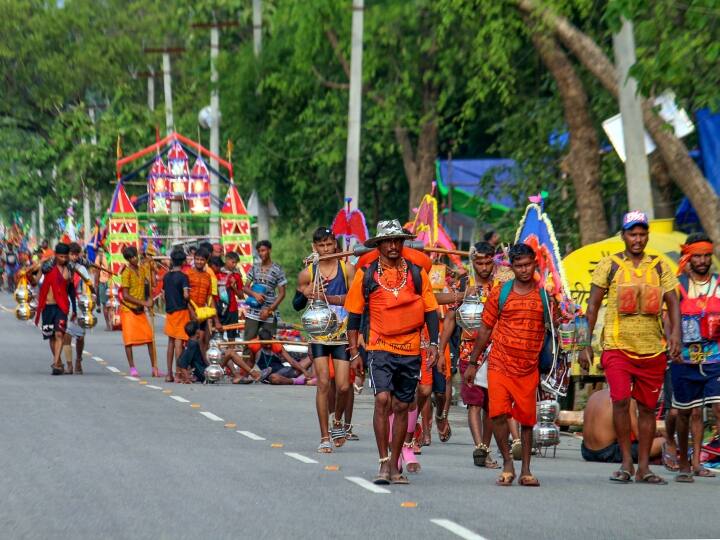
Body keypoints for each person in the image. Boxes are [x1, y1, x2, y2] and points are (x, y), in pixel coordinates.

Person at [580, 211, 681, 485]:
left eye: (642, 234)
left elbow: (673, 301)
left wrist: (676, 336)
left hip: (652, 349)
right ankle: (626, 462)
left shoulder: (660, 265)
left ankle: (644, 468)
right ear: (623, 235)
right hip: (617, 347)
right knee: (621, 401)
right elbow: (591, 306)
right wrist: (584, 343)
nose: (637, 239)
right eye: (632, 234)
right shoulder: (608, 265)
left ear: (647, 235)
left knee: (648, 409)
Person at [345, 219, 439, 485]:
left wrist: (433, 344)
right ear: (379, 245)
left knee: (401, 405)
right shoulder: (367, 275)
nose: (394, 245)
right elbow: (353, 316)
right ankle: (384, 463)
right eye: (388, 241)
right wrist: (354, 354)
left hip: (410, 348)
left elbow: (430, 310)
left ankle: (396, 463)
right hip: (379, 347)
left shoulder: (417, 273)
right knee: (382, 399)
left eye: (398, 240)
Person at [465, 243, 550, 487]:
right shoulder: (500, 293)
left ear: (535, 263)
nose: (524, 270)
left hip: (528, 368)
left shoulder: (544, 295)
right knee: (498, 414)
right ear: (511, 267)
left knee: (526, 421)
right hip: (499, 363)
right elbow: (485, 328)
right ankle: (507, 463)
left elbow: (551, 328)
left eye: (528, 264)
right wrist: (473, 363)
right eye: (519, 266)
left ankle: (526, 469)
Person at [294, 227, 355, 453]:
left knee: (343, 385)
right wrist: (305, 292)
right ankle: (324, 436)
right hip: (319, 334)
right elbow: (297, 304)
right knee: (323, 384)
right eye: (321, 245)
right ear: (314, 247)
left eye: (329, 244)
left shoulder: (347, 269)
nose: (326, 249)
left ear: (335, 245)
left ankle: (337, 420)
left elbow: (357, 300)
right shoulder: (308, 272)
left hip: (341, 333)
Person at [440, 241, 500, 468]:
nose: (484, 267)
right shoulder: (463, 284)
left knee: (492, 405)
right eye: (479, 262)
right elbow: (449, 319)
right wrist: (440, 349)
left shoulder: (501, 285)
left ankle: (486, 447)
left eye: (488, 262)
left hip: (495, 351)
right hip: (468, 353)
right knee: (474, 402)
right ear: (472, 262)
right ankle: (480, 448)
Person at [671, 233, 720, 482]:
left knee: (716, 405)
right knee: (686, 413)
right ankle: (683, 462)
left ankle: (700, 460)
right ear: (688, 257)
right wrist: (671, 342)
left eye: (706, 256)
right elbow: (668, 318)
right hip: (684, 359)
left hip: (714, 357)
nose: (702, 260)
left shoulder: (719, 284)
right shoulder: (678, 285)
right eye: (697, 256)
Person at [581, 389, 664, 462]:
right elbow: (640, 436)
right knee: (663, 442)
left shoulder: (595, 395)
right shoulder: (625, 398)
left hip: (586, 451)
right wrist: (658, 434)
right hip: (607, 453)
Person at [34, 243, 76, 375]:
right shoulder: (46, 268)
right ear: (56, 255)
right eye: (61, 256)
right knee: (51, 336)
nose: (63, 259)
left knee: (59, 334)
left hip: (61, 306)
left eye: (65, 257)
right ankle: (58, 363)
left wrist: (74, 308)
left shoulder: (69, 270)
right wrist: (40, 265)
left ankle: (55, 362)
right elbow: (34, 281)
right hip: (47, 306)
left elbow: (71, 291)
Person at [119, 246, 160, 377]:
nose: (134, 259)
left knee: (149, 338)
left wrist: (149, 300)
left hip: (141, 310)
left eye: (135, 256)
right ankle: (132, 367)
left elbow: (149, 285)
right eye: (131, 258)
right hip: (128, 309)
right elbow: (125, 295)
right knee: (129, 340)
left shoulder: (142, 269)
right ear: (128, 259)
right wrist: (144, 303)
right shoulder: (126, 273)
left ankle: (155, 368)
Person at [243, 240, 287, 340]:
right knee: (248, 342)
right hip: (253, 312)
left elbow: (282, 293)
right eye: (259, 251)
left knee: (267, 343)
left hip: (269, 313)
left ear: (269, 250)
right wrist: (255, 295)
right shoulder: (254, 268)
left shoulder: (277, 269)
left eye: (263, 250)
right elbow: (245, 288)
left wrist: (270, 309)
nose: (261, 253)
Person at [61, 242, 93, 374]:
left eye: (75, 254)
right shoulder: (63, 268)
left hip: (80, 303)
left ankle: (78, 360)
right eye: (71, 254)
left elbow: (89, 286)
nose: (73, 257)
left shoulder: (82, 269)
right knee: (66, 335)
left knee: (80, 336)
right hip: (66, 302)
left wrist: (90, 298)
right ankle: (69, 365)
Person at [243, 328, 313, 385]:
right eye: (265, 344)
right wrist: (245, 376)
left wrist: (304, 371)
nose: (268, 346)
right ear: (259, 340)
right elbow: (251, 362)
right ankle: (296, 381)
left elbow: (291, 361)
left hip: (285, 371)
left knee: (311, 357)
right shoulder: (254, 347)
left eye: (269, 343)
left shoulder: (277, 345)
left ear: (271, 338)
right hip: (272, 376)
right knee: (274, 378)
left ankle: (314, 377)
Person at [163, 248, 191, 383]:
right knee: (179, 342)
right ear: (184, 261)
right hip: (181, 311)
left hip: (170, 312)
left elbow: (164, 295)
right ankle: (178, 373)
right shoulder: (184, 277)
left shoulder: (166, 276)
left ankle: (169, 374)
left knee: (171, 342)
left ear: (172, 260)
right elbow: (186, 295)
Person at [185, 247, 221, 349]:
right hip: (189, 314)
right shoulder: (188, 274)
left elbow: (210, 299)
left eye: (202, 260)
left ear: (206, 261)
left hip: (202, 314)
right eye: (197, 259)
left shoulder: (207, 276)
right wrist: (192, 313)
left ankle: (202, 364)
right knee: (191, 342)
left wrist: (216, 320)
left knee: (205, 340)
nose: (199, 262)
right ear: (194, 259)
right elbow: (184, 297)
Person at [218, 252, 244, 341]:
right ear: (226, 260)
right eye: (232, 262)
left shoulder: (236, 276)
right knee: (218, 335)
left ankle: (231, 353)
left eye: (236, 263)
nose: (234, 265)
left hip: (232, 309)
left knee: (232, 337)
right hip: (219, 309)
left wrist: (234, 287)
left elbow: (241, 296)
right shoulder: (217, 272)